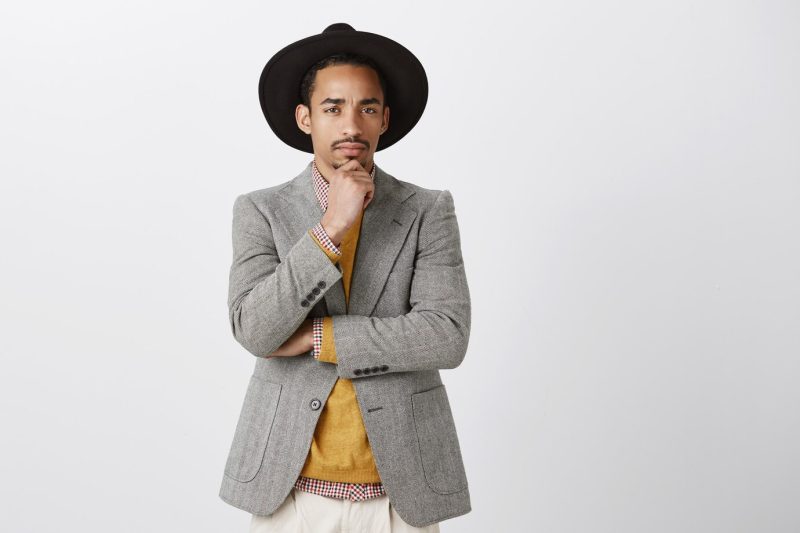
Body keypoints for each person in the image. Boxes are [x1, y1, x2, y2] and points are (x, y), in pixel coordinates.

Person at [218, 23, 472, 532]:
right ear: (305, 118)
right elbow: (254, 330)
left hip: (400, 488)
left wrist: (318, 336)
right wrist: (332, 227)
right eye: (333, 108)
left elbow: (446, 336)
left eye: (367, 108)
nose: (351, 124)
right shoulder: (261, 211)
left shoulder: (427, 210)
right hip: (288, 488)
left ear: (385, 120)